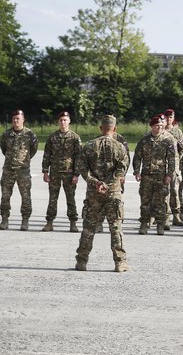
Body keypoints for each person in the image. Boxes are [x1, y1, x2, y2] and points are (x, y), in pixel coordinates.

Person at [74, 115, 129, 272]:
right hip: (113, 193)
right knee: (116, 228)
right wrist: (109, 184)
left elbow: (83, 170)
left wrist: (96, 183)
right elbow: (121, 171)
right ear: (115, 129)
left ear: (101, 128)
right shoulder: (120, 147)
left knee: (89, 228)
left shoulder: (89, 146)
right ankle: (120, 262)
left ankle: (82, 261)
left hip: (94, 193)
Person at [133, 115, 177, 235]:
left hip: (161, 175)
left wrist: (169, 174)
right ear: (151, 126)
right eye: (157, 125)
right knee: (145, 200)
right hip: (146, 175)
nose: (159, 128)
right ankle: (144, 223)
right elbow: (137, 157)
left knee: (161, 201)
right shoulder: (144, 140)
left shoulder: (167, 140)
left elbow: (171, 159)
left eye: (161, 126)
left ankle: (160, 224)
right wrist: (137, 171)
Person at [42, 111, 82, 233]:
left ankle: (73, 223)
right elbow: (47, 154)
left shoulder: (75, 137)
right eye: (61, 120)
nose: (63, 122)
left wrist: (76, 174)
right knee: (53, 198)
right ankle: (49, 222)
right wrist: (45, 171)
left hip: (69, 173)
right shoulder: (52, 137)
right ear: (58, 122)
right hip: (54, 173)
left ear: (69, 121)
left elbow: (79, 157)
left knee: (70, 198)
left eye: (65, 120)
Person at [0, 110, 38, 231]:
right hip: (8, 170)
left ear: (23, 120)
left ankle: (25, 220)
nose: (16, 121)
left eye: (18, 118)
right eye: (14, 119)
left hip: (23, 171)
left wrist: (24, 161)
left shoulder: (30, 134)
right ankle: (4, 219)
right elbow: (4, 149)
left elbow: (33, 149)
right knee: (5, 196)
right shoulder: (6, 134)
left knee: (26, 196)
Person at [164, 109, 183, 226]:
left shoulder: (177, 132)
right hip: (162, 165)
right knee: (163, 192)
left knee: (174, 191)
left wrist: (177, 157)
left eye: (171, 117)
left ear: (173, 118)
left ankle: (176, 215)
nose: (169, 119)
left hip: (174, 166)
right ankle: (164, 216)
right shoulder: (160, 130)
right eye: (167, 117)